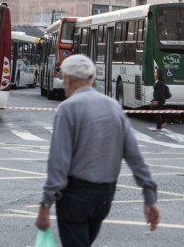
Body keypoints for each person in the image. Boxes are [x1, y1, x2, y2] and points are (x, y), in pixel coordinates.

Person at [35, 54, 160, 246]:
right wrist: (150, 197)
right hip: (104, 196)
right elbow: (135, 156)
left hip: (74, 195)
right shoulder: (114, 107)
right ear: (92, 79)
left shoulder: (67, 109)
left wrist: (45, 204)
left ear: (67, 80)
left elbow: (59, 163)